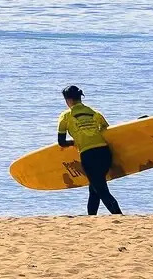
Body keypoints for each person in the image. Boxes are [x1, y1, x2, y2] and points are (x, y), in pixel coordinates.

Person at [57, 85, 123, 215]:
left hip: (88, 155)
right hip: (105, 153)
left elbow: (61, 142)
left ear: (68, 100)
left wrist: (74, 142)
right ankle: (91, 217)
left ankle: (119, 216)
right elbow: (107, 131)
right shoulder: (94, 112)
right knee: (94, 188)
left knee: (101, 190)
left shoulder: (65, 116)